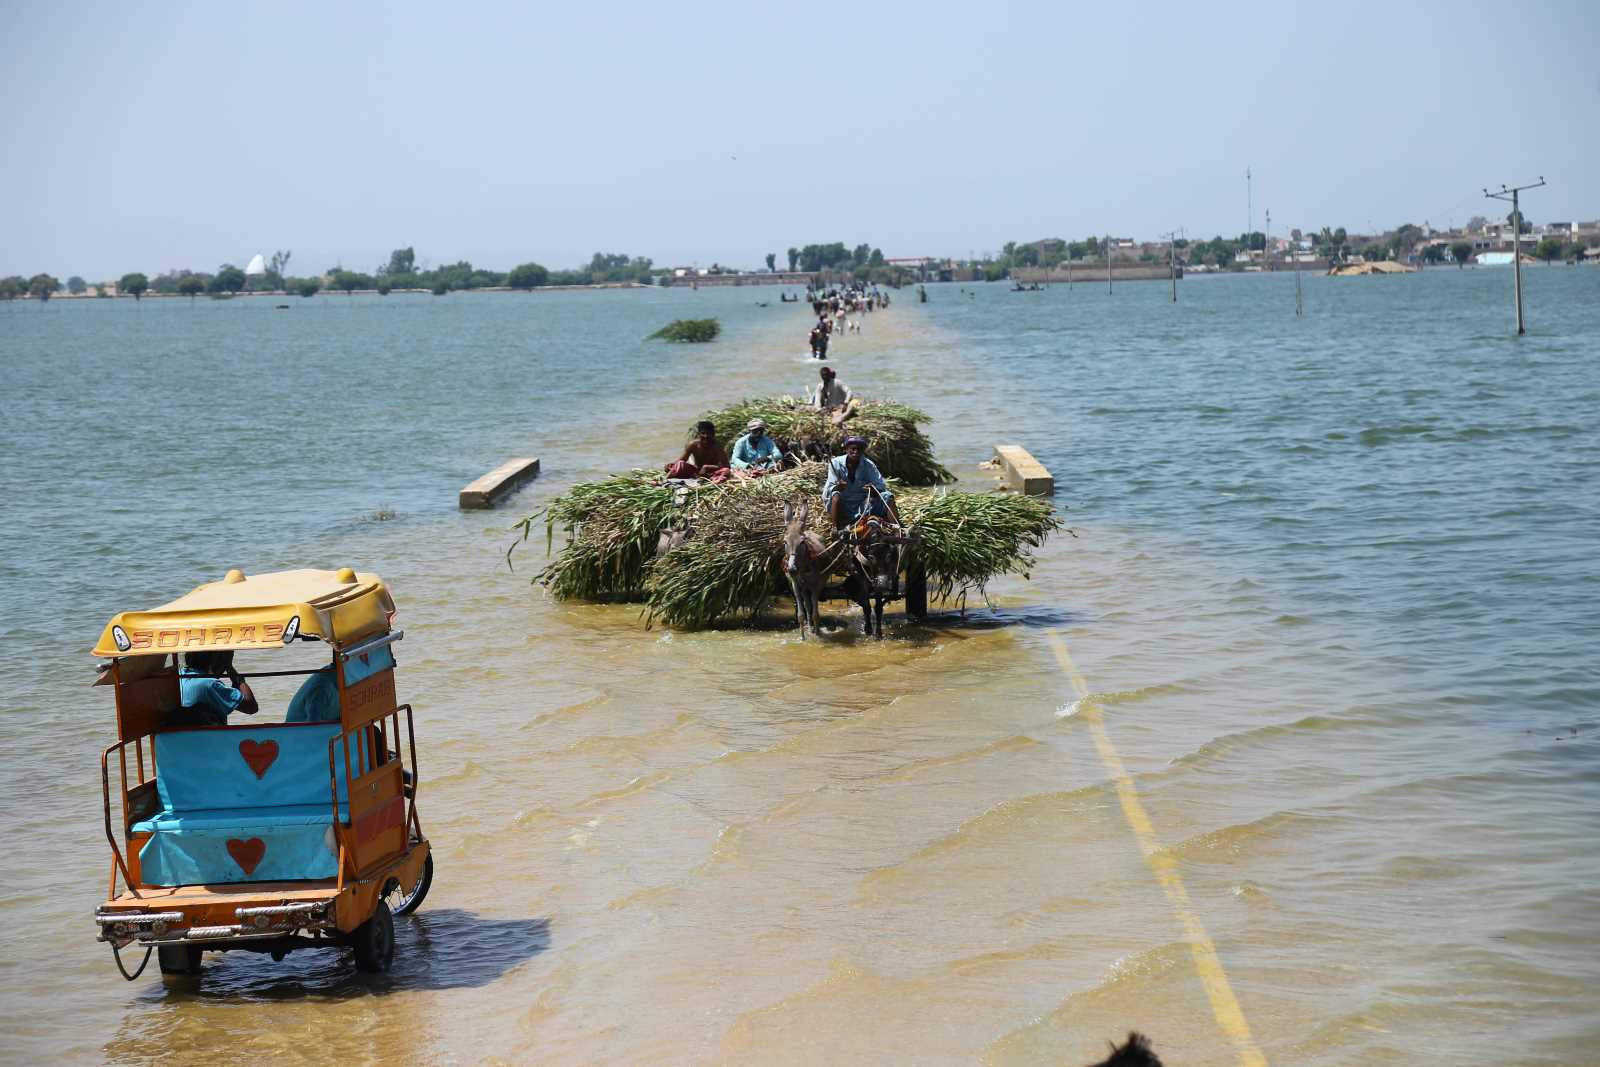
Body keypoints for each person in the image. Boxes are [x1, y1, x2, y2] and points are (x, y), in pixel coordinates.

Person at [823, 435, 900, 527]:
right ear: (846, 449)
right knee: (836, 495)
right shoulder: (835, 463)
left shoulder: (869, 465)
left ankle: (897, 529)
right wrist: (838, 487)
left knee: (888, 496)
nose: (856, 452)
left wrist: (873, 489)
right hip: (842, 505)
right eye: (853, 449)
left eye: (859, 449)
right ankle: (835, 528)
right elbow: (830, 488)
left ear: (863, 451)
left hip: (862, 505)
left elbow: (880, 486)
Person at [172, 650, 260, 726]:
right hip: (207, 738)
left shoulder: (178, 676)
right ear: (216, 660)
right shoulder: (209, 685)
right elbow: (251, 707)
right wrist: (231, 670)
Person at [664, 420, 730, 479]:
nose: (706, 436)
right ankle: (665, 480)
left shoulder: (717, 446)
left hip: (712, 473)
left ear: (713, 434)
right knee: (680, 464)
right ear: (698, 434)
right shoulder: (693, 445)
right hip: (696, 472)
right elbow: (682, 460)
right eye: (703, 433)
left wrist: (708, 467)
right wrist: (671, 465)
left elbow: (726, 465)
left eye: (709, 433)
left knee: (726, 471)